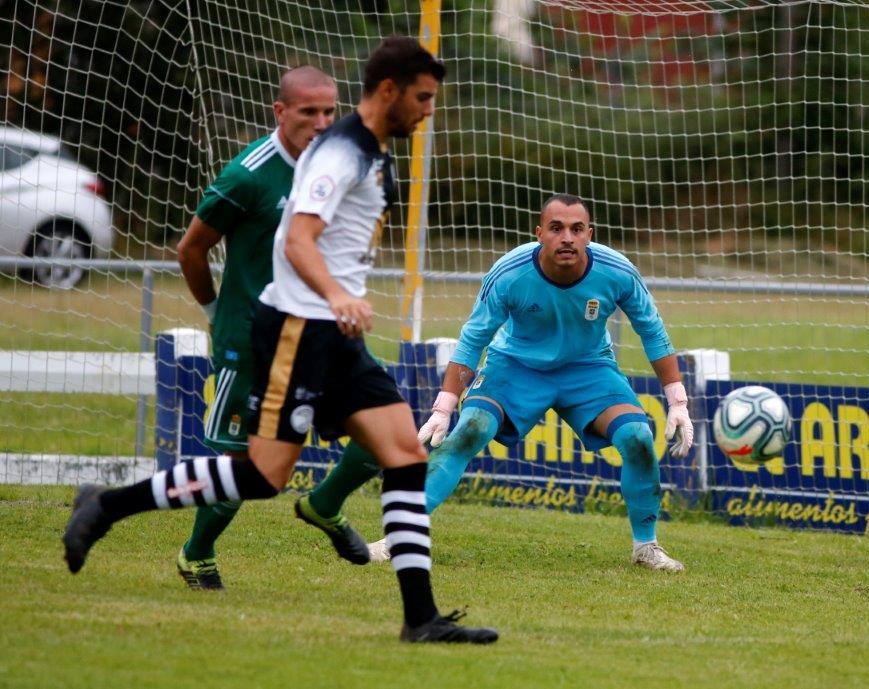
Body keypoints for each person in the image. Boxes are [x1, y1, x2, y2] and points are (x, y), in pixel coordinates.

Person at [62, 36, 497, 644]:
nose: (429, 110)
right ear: (390, 91)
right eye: (423, 98)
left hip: (332, 336)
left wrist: (339, 303)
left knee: (404, 454)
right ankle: (106, 506)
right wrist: (337, 295)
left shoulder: (372, 150)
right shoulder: (340, 153)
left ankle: (420, 620)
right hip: (297, 329)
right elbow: (297, 240)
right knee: (264, 475)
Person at [367, 193, 694, 571]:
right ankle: (399, 538)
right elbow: (474, 339)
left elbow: (652, 330)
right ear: (540, 234)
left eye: (576, 229)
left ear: (590, 234)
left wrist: (678, 401)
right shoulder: (510, 273)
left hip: (588, 368)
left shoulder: (616, 271)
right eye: (556, 228)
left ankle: (646, 547)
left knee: (637, 436)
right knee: (470, 430)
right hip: (515, 366)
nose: (567, 237)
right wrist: (443, 408)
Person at [174, 65, 381, 590]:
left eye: (329, 111)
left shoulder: (341, 163)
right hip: (253, 339)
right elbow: (192, 248)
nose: (320, 122)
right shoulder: (249, 174)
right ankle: (196, 554)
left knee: (384, 433)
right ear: (280, 112)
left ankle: (324, 505)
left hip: (323, 331)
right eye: (308, 111)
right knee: (247, 464)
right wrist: (215, 313)